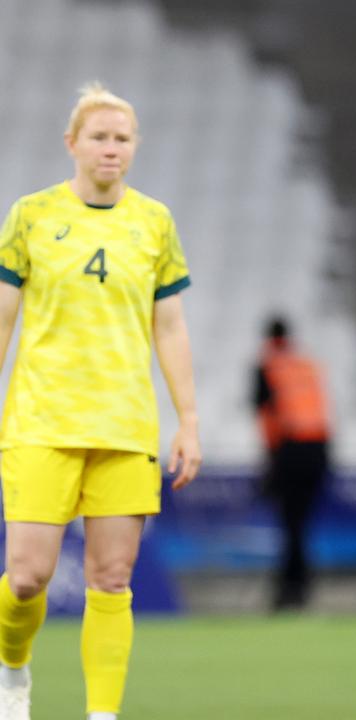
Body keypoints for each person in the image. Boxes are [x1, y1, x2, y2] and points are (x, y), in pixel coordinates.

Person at [0, 83, 201, 720]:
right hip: (41, 422)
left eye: (122, 139)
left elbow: (169, 326)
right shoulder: (31, 216)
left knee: (112, 579)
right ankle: (12, 668)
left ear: (134, 147)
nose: (111, 149)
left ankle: (102, 715)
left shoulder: (154, 222)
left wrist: (189, 420)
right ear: (72, 144)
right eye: (99, 137)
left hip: (125, 429)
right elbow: (4, 317)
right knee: (27, 577)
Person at [254, 316, 330, 611]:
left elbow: (265, 417)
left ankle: (290, 590)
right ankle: (299, 585)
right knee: (302, 523)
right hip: (318, 449)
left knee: (290, 523)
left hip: (288, 451)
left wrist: (271, 463)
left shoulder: (267, 367)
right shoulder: (306, 365)